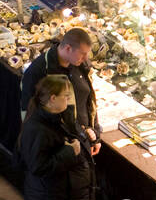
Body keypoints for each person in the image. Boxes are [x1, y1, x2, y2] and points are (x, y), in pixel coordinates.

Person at [19, 27, 102, 156]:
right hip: (60, 148)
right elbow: (28, 113)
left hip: (83, 140)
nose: (86, 58)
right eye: (83, 53)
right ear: (68, 48)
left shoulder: (80, 64)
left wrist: (95, 134)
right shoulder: (39, 71)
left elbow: (89, 98)